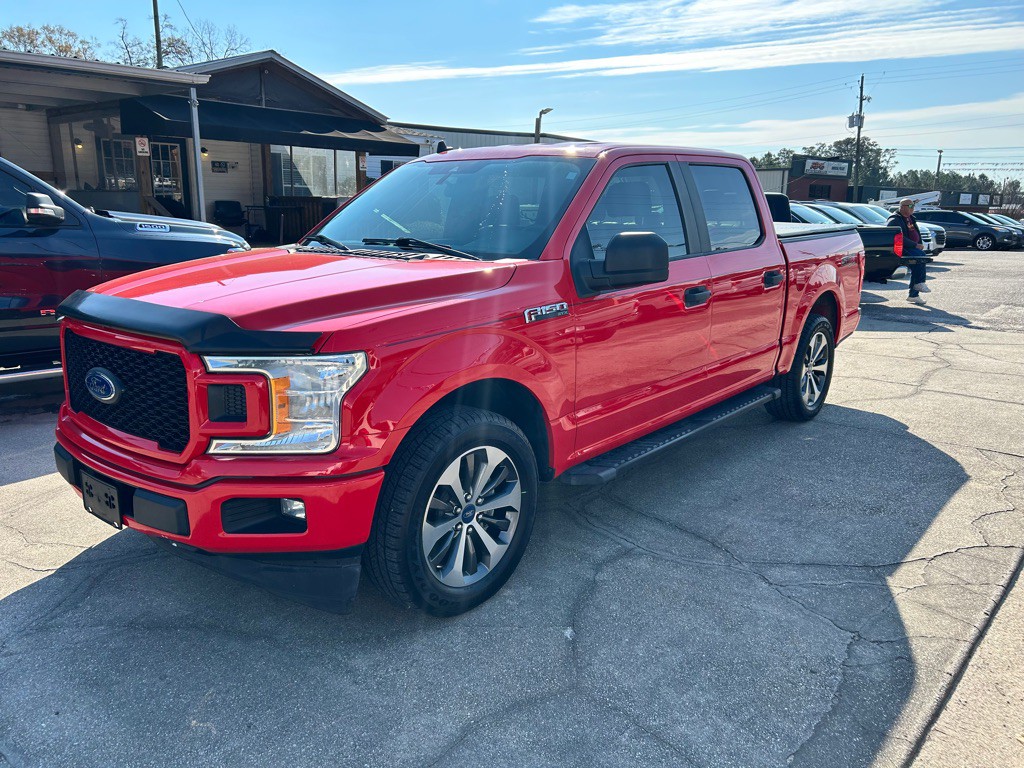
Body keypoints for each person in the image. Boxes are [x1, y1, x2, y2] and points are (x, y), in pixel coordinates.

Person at [887, 199, 929, 305]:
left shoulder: (910, 218)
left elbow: (915, 232)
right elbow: (899, 237)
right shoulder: (895, 220)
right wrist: (915, 245)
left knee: (917, 265)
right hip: (903, 248)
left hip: (913, 247)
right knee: (920, 258)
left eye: (913, 205)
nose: (913, 208)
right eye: (910, 205)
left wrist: (919, 243)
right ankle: (919, 283)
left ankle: (913, 295)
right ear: (902, 207)